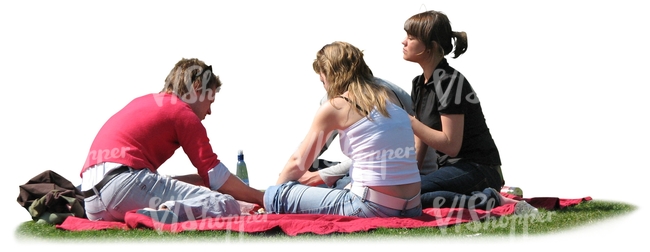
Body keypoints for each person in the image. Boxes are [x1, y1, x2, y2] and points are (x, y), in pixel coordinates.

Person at [79, 58, 264, 223]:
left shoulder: (144, 102)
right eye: (210, 102)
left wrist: (206, 183)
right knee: (225, 203)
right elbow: (215, 175)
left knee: (188, 183)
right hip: (123, 188)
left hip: (93, 205)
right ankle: (159, 213)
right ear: (198, 90)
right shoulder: (181, 111)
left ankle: (151, 212)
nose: (209, 112)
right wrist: (260, 197)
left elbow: (202, 180)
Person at [264, 41, 422, 218]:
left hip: (372, 207)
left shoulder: (337, 106)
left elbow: (298, 162)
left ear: (331, 76)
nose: (324, 87)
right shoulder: (390, 102)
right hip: (413, 207)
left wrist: (275, 192)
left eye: (323, 81)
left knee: (275, 195)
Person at [401, 10, 537, 214]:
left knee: (411, 197)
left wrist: (410, 122)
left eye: (411, 38)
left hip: (478, 168)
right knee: (404, 194)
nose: (404, 42)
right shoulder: (419, 84)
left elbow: (451, 145)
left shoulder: (450, 82)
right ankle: (491, 195)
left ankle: (493, 198)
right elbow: (421, 137)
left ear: (432, 46)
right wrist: (410, 175)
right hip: (452, 169)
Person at [299, 77, 439, 189]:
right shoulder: (337, 100)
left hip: (405, 174)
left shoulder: (379, 96)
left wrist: (321, 176)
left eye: (323, 80)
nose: (323, 85)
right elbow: (316, 145)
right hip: (387, 172)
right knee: (309, 168)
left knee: (322, 185)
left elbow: (380, 155)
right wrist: (299, 169)